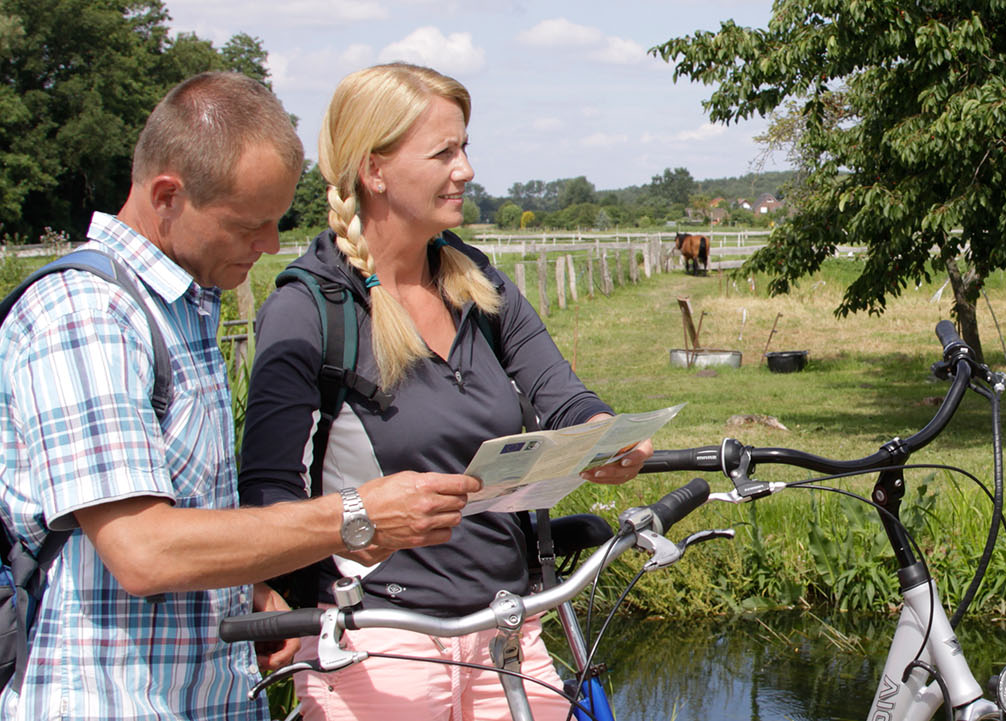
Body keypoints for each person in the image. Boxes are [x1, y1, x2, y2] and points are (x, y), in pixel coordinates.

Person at [0, 72, 483, 721]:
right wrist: (353, 514)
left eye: (278, 221)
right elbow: (143, 549)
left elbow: (184, 510)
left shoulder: (184, 308)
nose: (270, 246)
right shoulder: (86, 316)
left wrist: (247, 587)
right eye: (249, 224)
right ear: (167, 195)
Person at [238, 62, 651, 721]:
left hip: (510, 626)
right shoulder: (311, 307)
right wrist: (268, 594)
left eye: (465, 147)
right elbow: (265, 488)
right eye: (444, 152)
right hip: (376, 637)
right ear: (375, 170)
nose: (465, 168)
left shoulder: (477, 282)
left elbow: (564, 395)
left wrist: (608, 435)